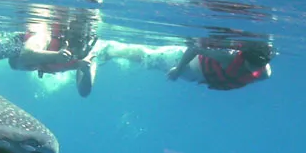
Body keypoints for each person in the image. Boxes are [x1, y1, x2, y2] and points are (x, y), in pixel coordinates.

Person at [95, 36, 274, 91]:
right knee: (147, 57)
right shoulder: (228, 58)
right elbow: (195, 48)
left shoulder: (265, 73)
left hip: (193, 75)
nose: (255, 69)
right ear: (244, 57)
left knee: (148, 58)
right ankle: (109, 50)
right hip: (181, 62)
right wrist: (178, 69)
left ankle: (111, 50)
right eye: (251, 65)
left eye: (258, 67)